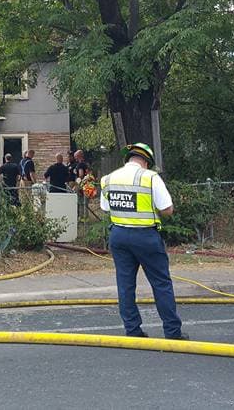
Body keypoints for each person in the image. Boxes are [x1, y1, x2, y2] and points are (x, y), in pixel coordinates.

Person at [100, 142, 188, 340]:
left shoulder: (108, 179)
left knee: (125, 285)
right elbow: (167, 209)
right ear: (147, 161)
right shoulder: (150, 177)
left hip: (119, 236)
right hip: (146, 237)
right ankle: (172, 332)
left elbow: (105, 208)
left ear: (128, 158)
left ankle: (132, 330)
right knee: (161, 283)